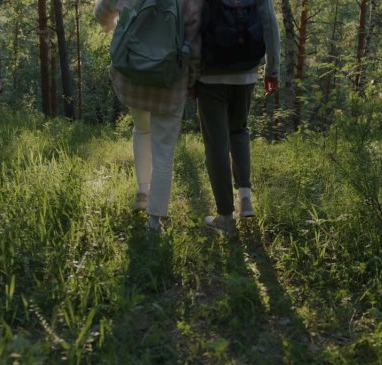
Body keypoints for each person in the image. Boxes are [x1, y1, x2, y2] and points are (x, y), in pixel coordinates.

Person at [95, 0, 201, 232]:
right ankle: (155, 220)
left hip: (133, 76)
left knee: (142, 129)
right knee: (164, 152)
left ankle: (142, 192)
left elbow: (101, 13)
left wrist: (114, 28)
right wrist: (192, 81)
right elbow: (194, 41)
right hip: (170, 83)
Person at [196, 0, 280, 235]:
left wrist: (190, 75)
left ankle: (225, 217)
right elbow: (270, 25)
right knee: (239, 130)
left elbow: (193, 28)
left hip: (210, 77)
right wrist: (272, 70)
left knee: (216, 146)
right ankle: (245, 199)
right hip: (246, 74)